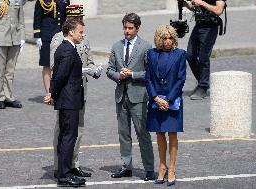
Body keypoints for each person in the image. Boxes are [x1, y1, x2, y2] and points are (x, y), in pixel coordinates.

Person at [47, 4, 103, 178]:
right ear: (68, 19)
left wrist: (94, 70)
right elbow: (57, 68)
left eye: (79, 18)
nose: (78, 21)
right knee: (63, 130)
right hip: (67, 91)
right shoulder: (59, 39)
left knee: (78, 129)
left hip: (81, 90)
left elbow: (89, 60)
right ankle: (60, 166)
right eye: (75, 18)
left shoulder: (83, 37)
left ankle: (73, 164)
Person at [106, 13, 155, 181]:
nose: (127, 31)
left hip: (139, 97)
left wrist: (132, 74)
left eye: (130, 28)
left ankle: (149, 168)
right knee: (123, 134)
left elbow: (151, 73)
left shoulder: (146, 47)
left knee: (143, 134)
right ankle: (126, 166)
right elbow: (109, 69)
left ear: (137, 28)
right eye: (125, 27)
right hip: (121, 96)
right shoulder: (116, 46)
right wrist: (119, 75)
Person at [145, 25, 186, 186]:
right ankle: (162, 167)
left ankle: (171, 169)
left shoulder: (180, 54)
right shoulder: (151, 54)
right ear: (159, 39)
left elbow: (181, 79)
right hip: (156, 101)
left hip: (173, 101)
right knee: (160, 135)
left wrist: (168, 100)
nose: (168, 41)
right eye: (164, 38)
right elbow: (148, 78)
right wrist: (155, 98)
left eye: (170, 38)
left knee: (173, 134)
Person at [47, 19, 86, 187]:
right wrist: (51, 93)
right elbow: (60, 75)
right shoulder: (68, 50)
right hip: (69, 101)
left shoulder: (66, 48)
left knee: (66, 137)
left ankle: (65, 172)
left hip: (67, 100)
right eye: (80, 32)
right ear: (71, 32)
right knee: (68, 138)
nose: (82, 35)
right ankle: (64, 176)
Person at [0, 0, 25, 109]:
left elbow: (21, 20)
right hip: (0, 39)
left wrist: (22, 38)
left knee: (10, 71)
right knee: (0, 70)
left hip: (15, 38)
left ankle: (9, 97)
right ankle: (0, 97)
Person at [182, 0, 226, 100]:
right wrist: (185, 4)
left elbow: (219, 10)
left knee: (203, 58)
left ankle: (203, 86)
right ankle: (202, 83)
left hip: (210, 27)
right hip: (198, 26)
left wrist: (202, 3)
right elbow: (195, 8)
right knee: (190, 55)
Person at [33, 0, 70, 97]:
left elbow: (66, 17)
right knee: (47, 65)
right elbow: (37, 18)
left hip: (61, 36)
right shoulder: (41, 1)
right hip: (46, 36)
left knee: (62, 64)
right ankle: (49, 93)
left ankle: (60, 91)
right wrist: (37, 36)